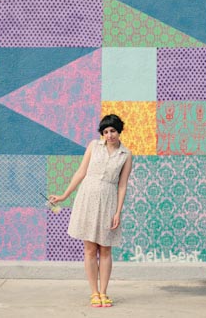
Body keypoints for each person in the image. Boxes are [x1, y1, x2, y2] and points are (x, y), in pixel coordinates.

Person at [49, 114, 133, 308]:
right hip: (87, 198)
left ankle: (104, 292)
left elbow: (122, 185)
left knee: (105, 248)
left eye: (112, 131)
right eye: (105, 132)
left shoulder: (126, 155)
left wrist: (118, 212)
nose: (109, 135)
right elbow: (81, 172)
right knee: (90, 249)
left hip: (108, 201)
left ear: (119, 131)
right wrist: (64, 195)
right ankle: (93, 292)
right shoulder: (94, 146)